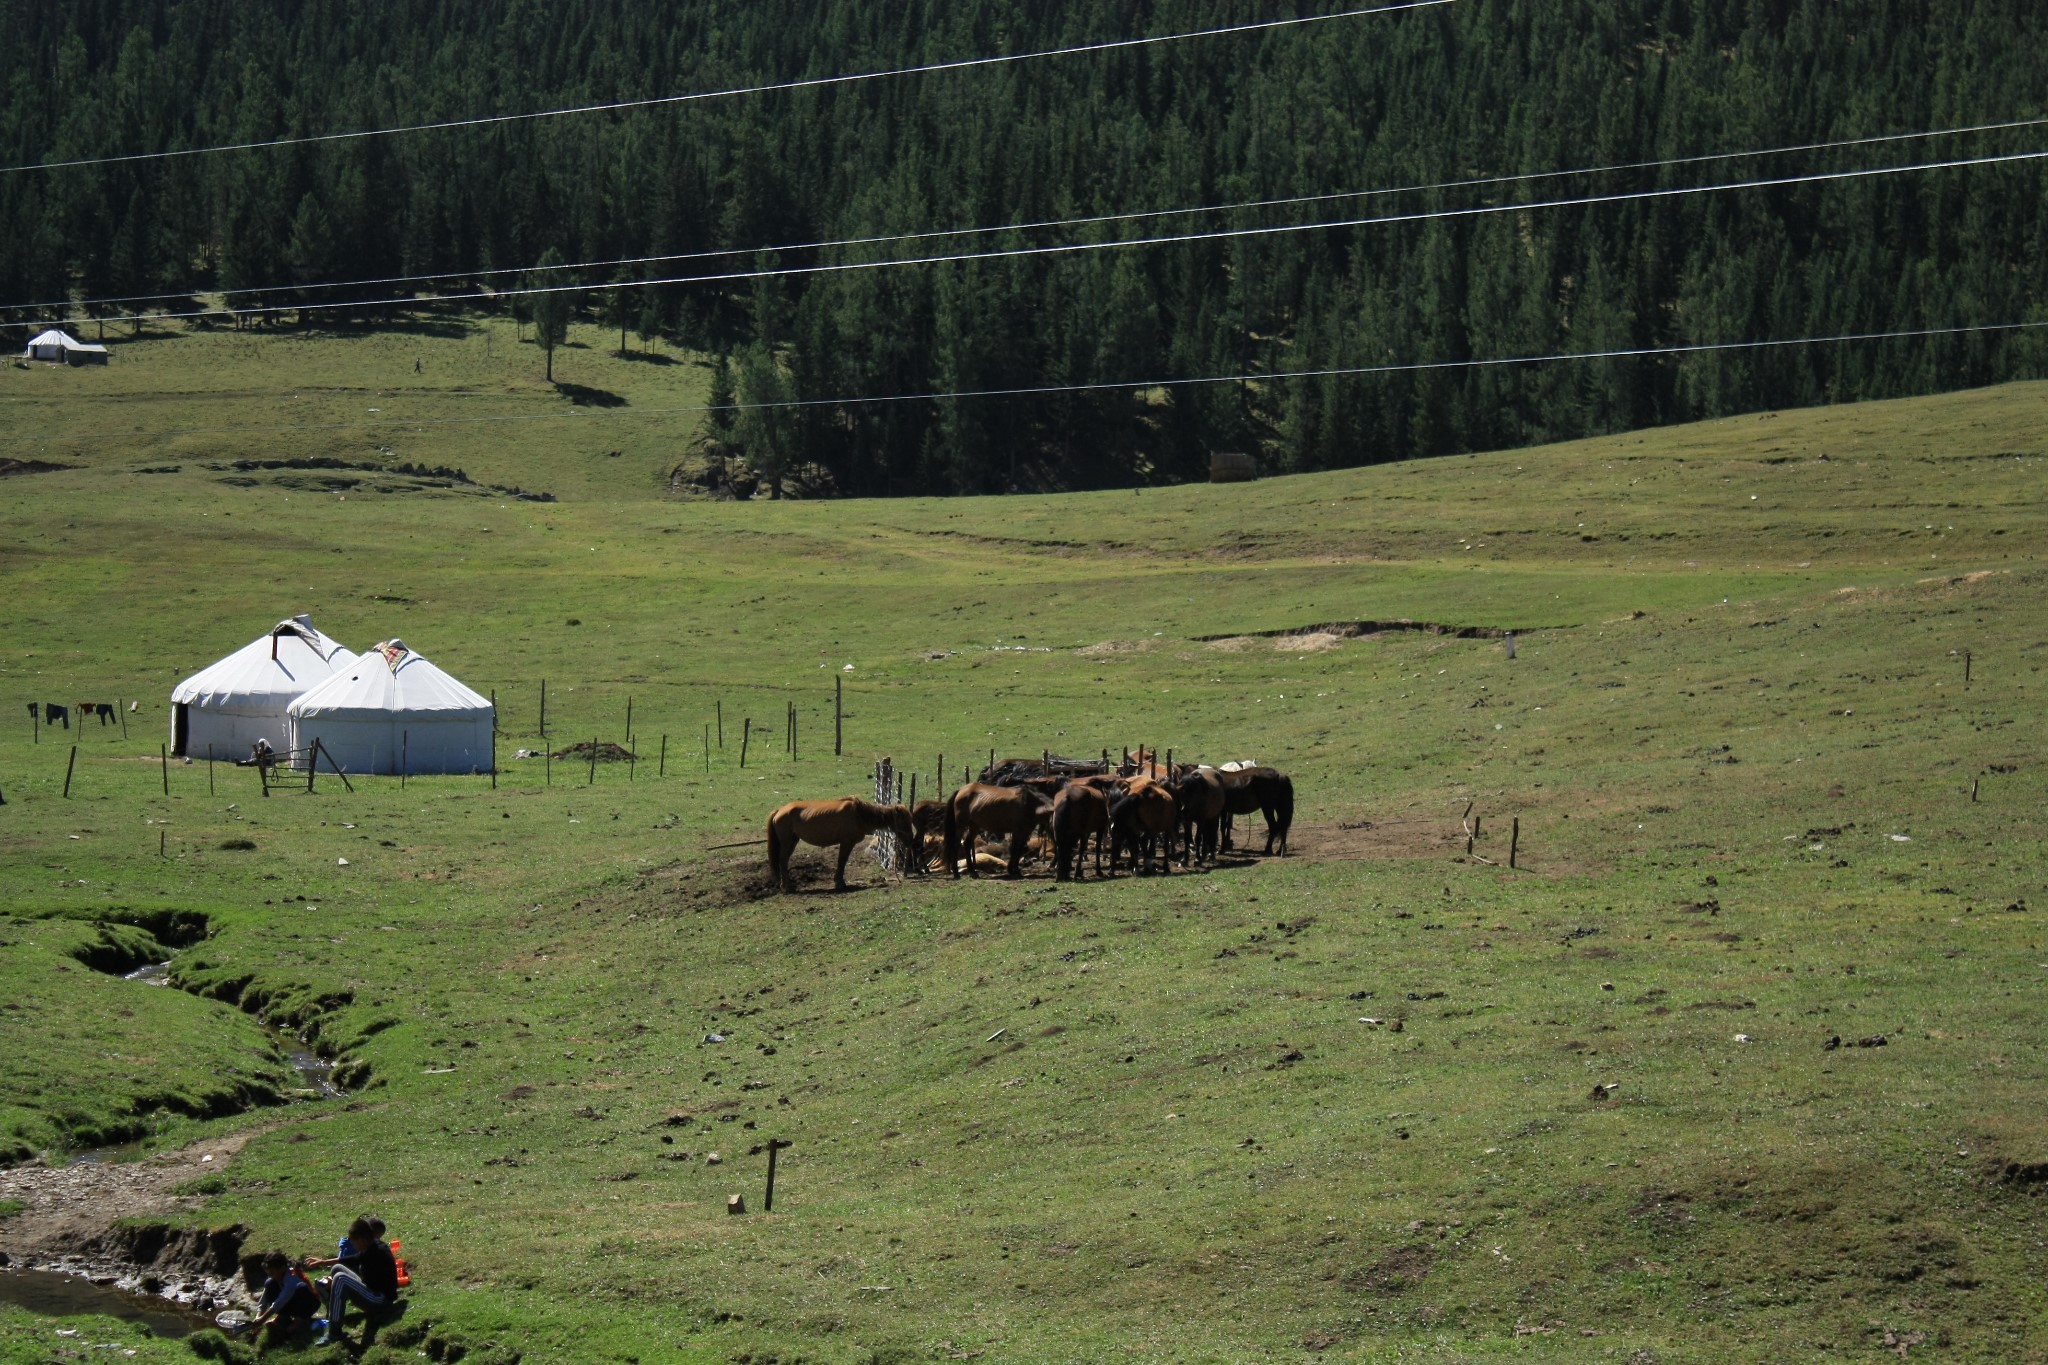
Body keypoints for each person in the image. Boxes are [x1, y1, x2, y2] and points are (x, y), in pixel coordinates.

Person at [305, 1216, 398, 1345]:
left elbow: (369, 1279)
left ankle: (334, 1332)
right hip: (373, 1291)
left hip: (381, 1300)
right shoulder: (373, 1245)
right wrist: (322, 1262)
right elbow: (354, 1258)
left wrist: (347, 1286)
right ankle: (333, 1311)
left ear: (361, 1239)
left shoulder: (376, 1253)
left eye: (353, 1241)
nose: (353, 1244)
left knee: (340, 1279)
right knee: (337, 1269)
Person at [248, 1252, 319, 1354]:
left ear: (282, 1268)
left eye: (272, 1272)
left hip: (309, 1304)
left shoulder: (293, 1278)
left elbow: (281, 1300)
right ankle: (283, 1317)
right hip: (292, 1303)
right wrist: (258, 1318)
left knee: (301, 1288)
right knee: (269, 1284)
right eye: (269, 1273)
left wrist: (263, 1318)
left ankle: (300, 1321)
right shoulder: (275, 1278)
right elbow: (264, 1298)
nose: (270, 1275)